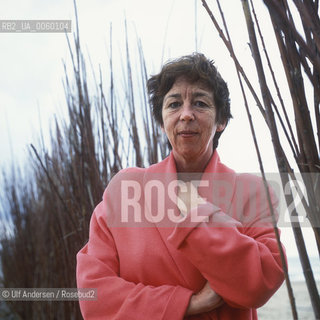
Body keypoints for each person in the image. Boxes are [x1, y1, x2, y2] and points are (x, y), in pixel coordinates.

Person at [76, 53, 285, 319]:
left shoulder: (253, 191)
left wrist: (198, 215)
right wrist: (188, 303)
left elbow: (260, 283)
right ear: (162, 122)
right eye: (174, 104)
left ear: (221, 121)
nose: (186, 115)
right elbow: (93, 295)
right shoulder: (125, 189)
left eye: (200, 103)